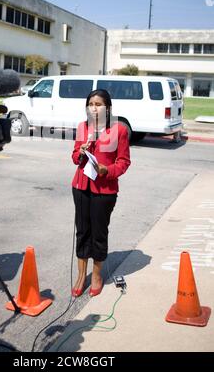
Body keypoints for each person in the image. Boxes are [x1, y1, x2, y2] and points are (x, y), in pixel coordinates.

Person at [71, 89, 131, 297]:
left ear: (108, 107)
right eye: (90, 104)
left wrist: (108, 171)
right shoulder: (82, 127)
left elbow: (123, 162)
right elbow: (74, 156)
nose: (93, 108)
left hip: (104, 189)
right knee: (82, 232)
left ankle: (96, 276)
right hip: (81, 187)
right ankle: (81, 276)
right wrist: (79, 152)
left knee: (98, 233)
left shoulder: (119, 130)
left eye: (98, 104)